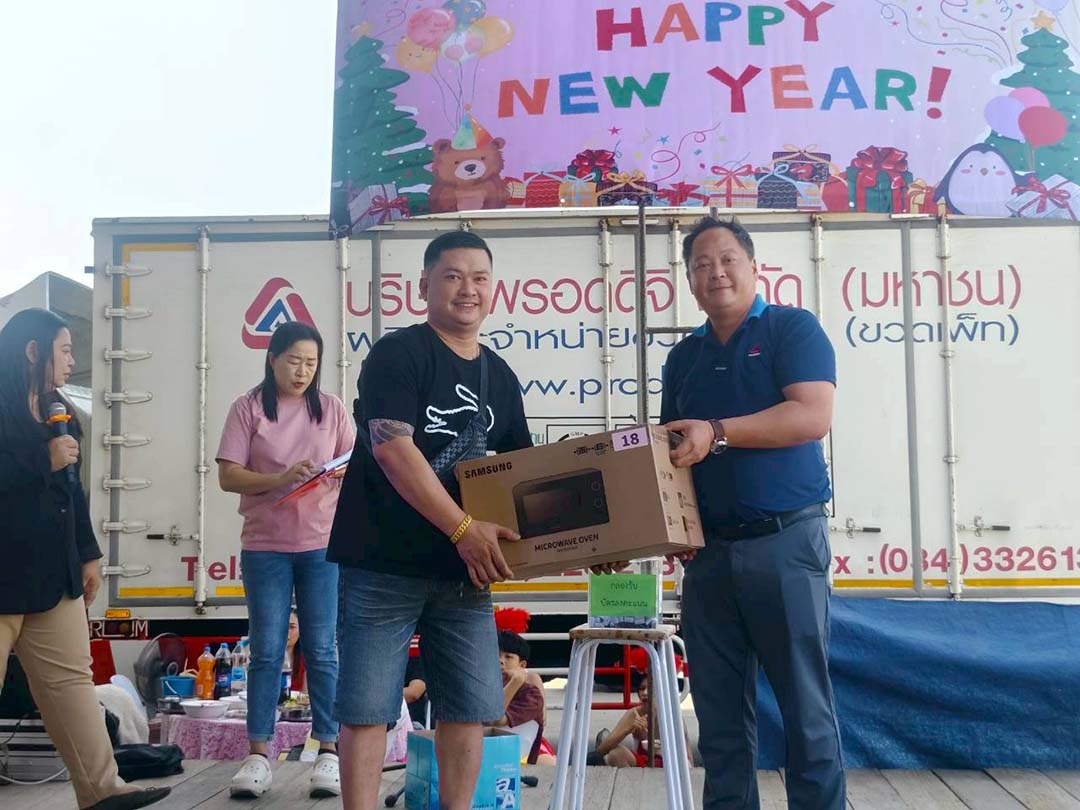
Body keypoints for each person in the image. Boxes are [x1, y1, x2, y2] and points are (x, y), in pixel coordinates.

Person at [327, 230, 533, 810]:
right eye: (453, 276)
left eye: (480, 278)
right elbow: (393, 449)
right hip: (383, 565)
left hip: (465, 574)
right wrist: (464, 530)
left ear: (493, 289)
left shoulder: (500, 376)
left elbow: (523, 476)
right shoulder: (398, 354)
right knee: (368, 709)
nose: (468, 289)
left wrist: (593, 545)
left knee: (467, 709)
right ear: (424, 286)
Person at [661, 216, 845, 809]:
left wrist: (716, 431)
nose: (715, 272)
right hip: (708, 556)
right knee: (718, 721)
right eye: (701, 264)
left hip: (785, 543)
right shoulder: (682, 358)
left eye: (727, 260)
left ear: (753, 267)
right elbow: (669, 455)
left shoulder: (792, 328)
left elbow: (812, 415)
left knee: (805, 712)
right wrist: (668, 529)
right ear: (689, 280)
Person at [0, 308, 170, 810]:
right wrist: (42, 460)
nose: (73, 361)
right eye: (65, 349)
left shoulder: (59, 412)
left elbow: (71, 494)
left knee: (71, 684)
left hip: (54, 576)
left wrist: (89, 554)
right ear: (33, 351)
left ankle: (102, 789)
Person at [216, 320, 355, 799]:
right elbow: (229, 476)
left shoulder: (332, 408)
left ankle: (329, 751)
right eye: (293, 360)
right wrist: (281, 478)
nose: (302, 371)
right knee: (267, 649)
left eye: (311, 363)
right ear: (272, 359)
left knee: (322, 648)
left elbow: (354, 461)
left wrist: (339, 474)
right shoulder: (248, 407)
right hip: (265, 546)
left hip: (322, 544)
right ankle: (258, 754)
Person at [490, 630, 555, 765]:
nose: (500, 661)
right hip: (480, 754)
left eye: (508, 657)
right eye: (495, 655)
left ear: (522, 665)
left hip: (518, 759)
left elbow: (494, 719)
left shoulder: (532, 696)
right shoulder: (478, 687)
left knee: (549, 763)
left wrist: (516, 681)